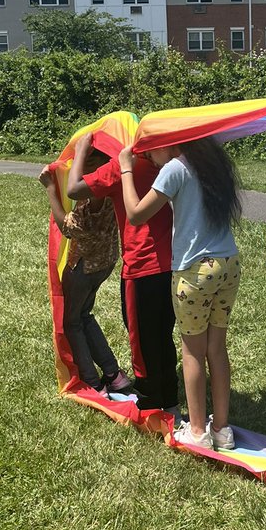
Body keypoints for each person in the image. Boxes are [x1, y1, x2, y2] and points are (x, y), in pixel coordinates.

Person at [118, 136, 241, 451]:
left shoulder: (174, 168)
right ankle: (222, 430)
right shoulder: (212, 163)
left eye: (151, 149)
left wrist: (126, 171)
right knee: (217, 349)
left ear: (170, 142)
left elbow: (135, 214)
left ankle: (197, 431)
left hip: (195, 272)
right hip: (228, 264)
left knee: (192, 352)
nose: (149, 156)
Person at [66, 133, 179, 416]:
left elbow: (75, 188)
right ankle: (171, 402)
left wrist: (80, 151)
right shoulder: (167, 161)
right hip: (174, 264)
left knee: (141, 339)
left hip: (142, 266)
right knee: (163, 335)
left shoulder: (122, 166)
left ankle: (152, 404)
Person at [39, 151, 132, 395]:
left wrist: (50, 187)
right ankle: (114, 374)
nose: (79, 170)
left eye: (87, 164)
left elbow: (67, 228)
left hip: (84, 266)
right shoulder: (118, 182)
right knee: (84, 315)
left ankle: (93, 381)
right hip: (105, 262)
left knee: (72, 322)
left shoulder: (92, 197)